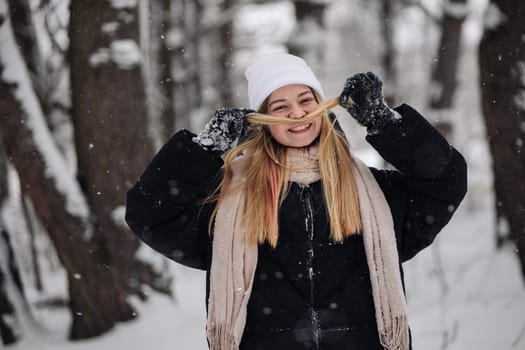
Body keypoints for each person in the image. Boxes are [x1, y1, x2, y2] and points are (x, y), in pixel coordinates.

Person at [125, 52, 467, 350]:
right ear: (264, 120)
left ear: (321, 106)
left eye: (305, 100)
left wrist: (384, 121)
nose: (296, 114)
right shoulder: (229, 203)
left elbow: (446, 183)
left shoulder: (376, 194)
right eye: (280, 106)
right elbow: (149, 215)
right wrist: (204, 148)